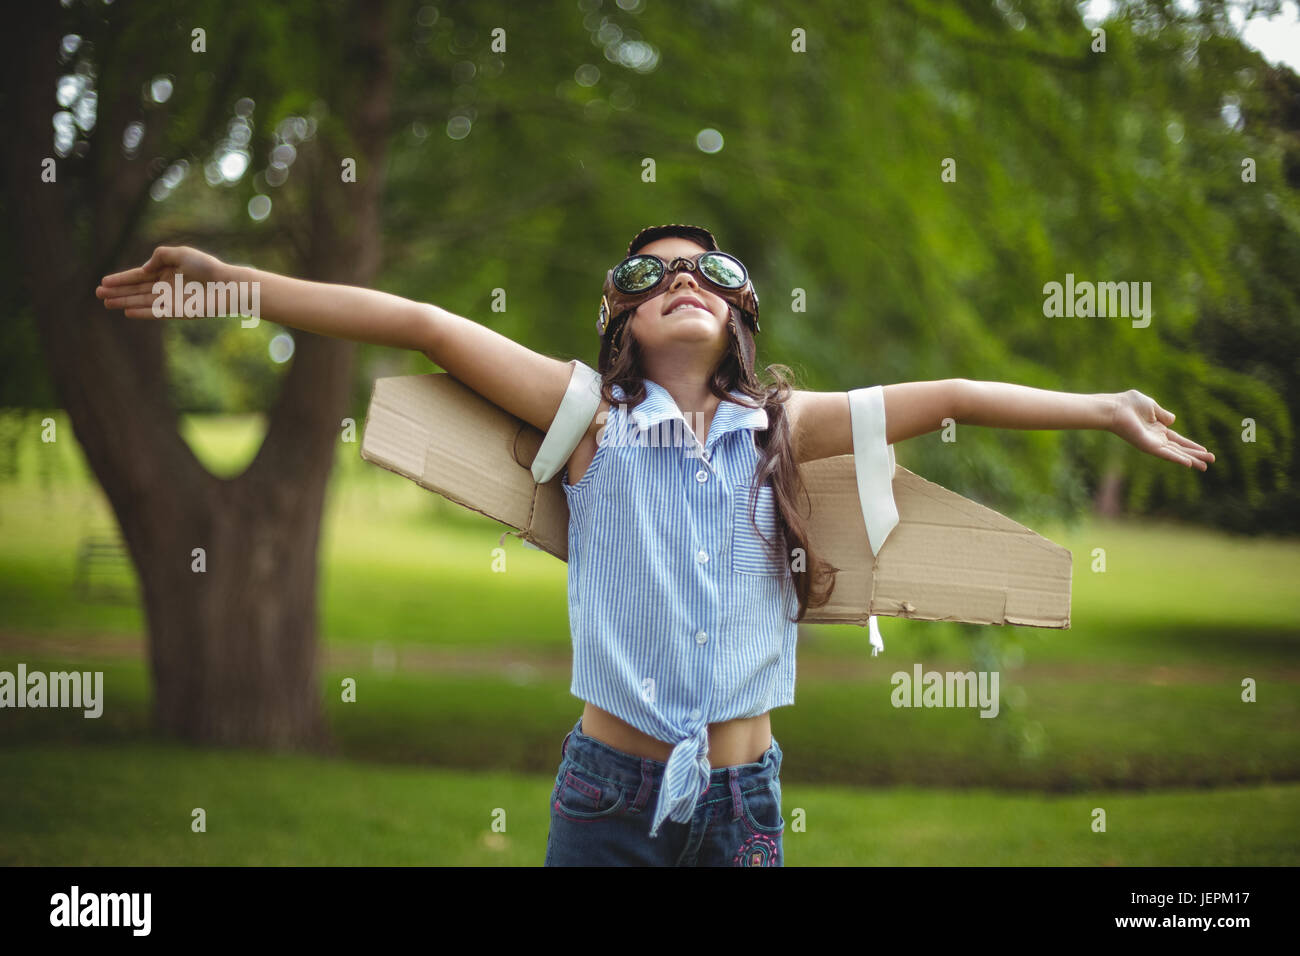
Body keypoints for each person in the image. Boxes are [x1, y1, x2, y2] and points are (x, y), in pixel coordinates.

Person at [96, 223, 1215, 866]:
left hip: (744, 799)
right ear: (620, 322)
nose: (681, 280)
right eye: (651, 276)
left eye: (707, 274)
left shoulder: (786, 426)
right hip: (606, 795)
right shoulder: (584, 421)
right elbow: (420, 323)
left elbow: (958, 390)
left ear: (738, 319)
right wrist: (224, 283)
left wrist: (1100, 405)